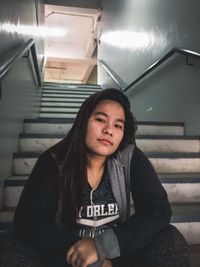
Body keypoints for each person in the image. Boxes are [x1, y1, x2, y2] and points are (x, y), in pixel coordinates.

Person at [13, 88, 189, 267]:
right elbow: (29, 221)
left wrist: (103, 247)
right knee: (10, 245)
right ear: (83, 122)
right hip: (68, 256)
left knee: (170, 239)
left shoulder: (130, 158)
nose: (109, 130)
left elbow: (158, 210)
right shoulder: (54, 161)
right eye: (100, 120)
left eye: (118, 125)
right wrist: (90, 259)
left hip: (116, 255)